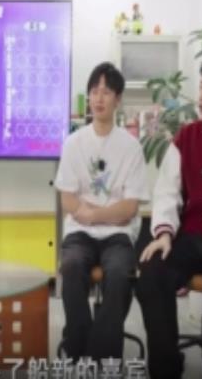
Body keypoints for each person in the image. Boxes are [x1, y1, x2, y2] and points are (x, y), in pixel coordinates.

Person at [136, 55, 202, 379]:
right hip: (190, 238)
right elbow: (167, 191)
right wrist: (164, 234)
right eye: (200, 86)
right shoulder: (186, 137)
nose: (201, 96)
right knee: (152, 276)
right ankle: (167, 368)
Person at [55, 62, 149, 363]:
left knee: (120, 273)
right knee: (71, 267)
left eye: (106, 92)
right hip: (79, 233)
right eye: (94, 91)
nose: (98, 98)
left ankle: (101, 353)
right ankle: (80, 343)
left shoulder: (131, 147)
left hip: (117, 235)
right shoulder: (74, 143)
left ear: (117, 99)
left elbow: (130, 208)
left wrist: (94, 214)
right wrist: (107, 211)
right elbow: (67, 200)